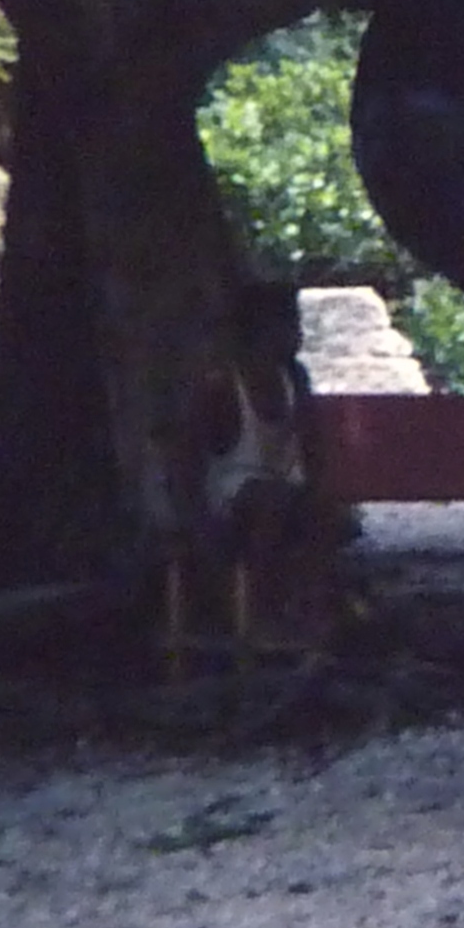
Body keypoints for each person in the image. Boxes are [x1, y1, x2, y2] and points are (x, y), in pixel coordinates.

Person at [166, 281, 353, 670]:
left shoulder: (294, 378)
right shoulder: (221, 386)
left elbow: (313, 449)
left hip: (279, 486)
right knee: (268, 504)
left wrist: (323, 496)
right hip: (228, 492)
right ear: (260, 330)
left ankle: (309, 612)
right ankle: (258, 614)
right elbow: (185, 463)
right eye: (289, 324)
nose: (298, 334)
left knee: (324, 513)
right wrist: (197, 524)